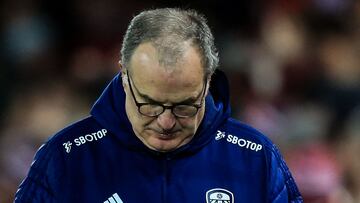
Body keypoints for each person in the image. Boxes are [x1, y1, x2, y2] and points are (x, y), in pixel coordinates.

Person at [15, 8, 303, 203]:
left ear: (207, 81)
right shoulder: (67, 159)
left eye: (184, 105)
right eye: (150, 104)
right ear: (124, 76)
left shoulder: (255, 158)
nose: (166, 122)